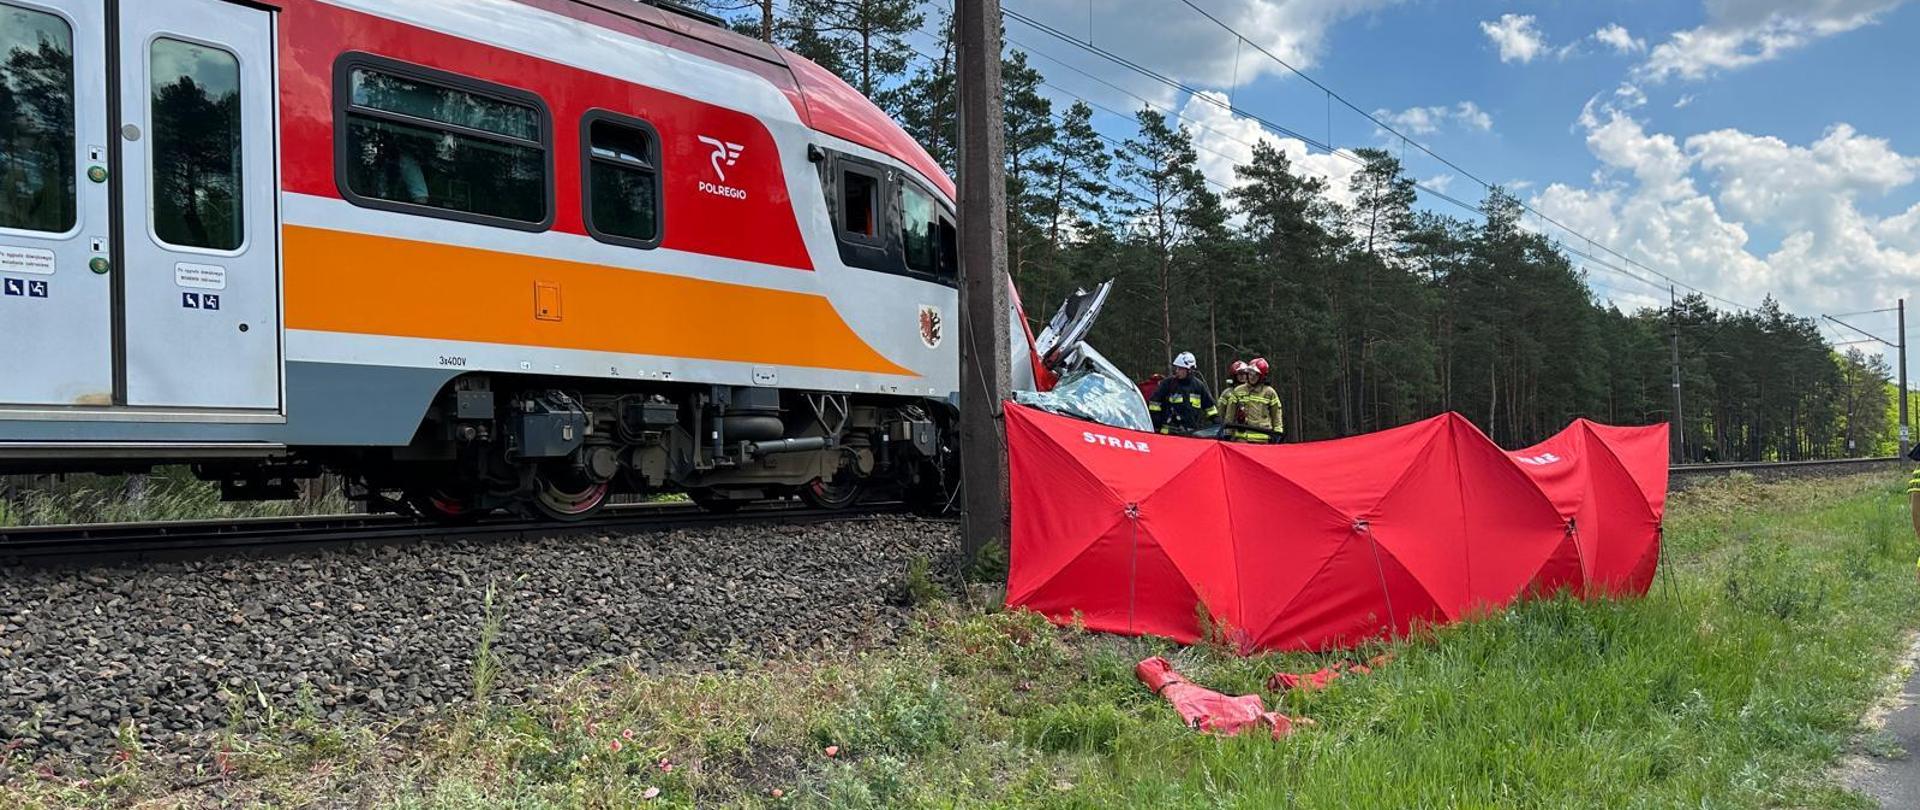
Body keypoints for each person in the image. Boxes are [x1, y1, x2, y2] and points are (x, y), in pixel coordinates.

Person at [1147, 351, 1215, 435]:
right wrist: (1156, 421)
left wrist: (1216, 422)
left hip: (1192, 432)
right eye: (1177, 368)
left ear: (1190, 370)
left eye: (1180, 368)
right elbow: (1154, 402)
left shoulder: (1198, 386)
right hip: (1169, 432)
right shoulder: (1168, 384)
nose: (1177, 371)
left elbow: (1210, 408)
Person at [1222, 356, 1284, 443]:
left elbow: (1276, 414)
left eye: (1256, 375)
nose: (1252, 377)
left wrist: (1278, 433)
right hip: (1242, 438)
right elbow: (1230, 414)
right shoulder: (1238, 391)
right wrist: (1227, 432)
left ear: (1262, 376)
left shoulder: (1269, 393)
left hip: (1263, 439)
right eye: (1250, 373)